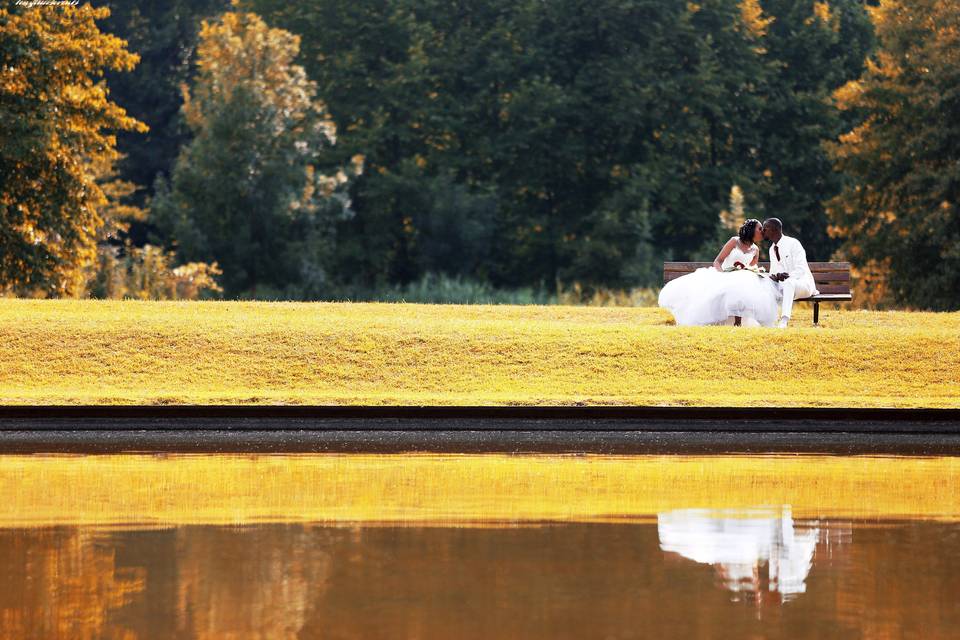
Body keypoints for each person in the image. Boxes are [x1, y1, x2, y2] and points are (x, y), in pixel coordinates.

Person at [658, 219, 780, 327]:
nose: (762, 232)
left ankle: (740, 321)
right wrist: (722, 275)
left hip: (742, 278)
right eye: (759, 229)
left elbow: (752, 268)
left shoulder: (755, 249)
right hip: (725, 274)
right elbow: (718, 261)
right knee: (726, 288)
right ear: (751, 230)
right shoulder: (734, 241)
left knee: (748, 285)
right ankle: (718, 319)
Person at [761, 218, 819, 328]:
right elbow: (774, 272)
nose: (762, 231)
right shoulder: (771, 249)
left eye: (765, 229)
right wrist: (774, 277)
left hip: (803, 284)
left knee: (789, 283)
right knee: (765, 284)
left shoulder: (793, 243)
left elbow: (801, 269)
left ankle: (784, 320)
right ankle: (765, 320)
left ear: (774, 229)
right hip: (784, 287)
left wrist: (786, 276)